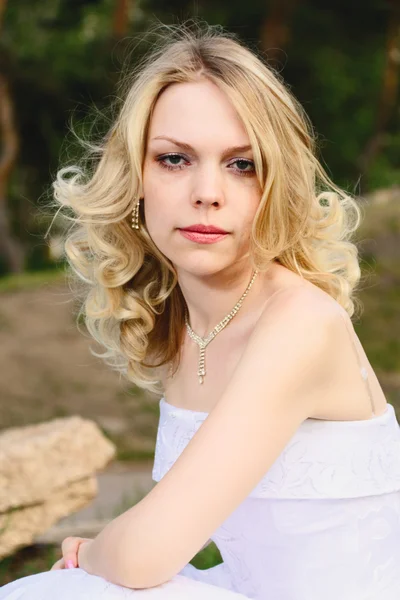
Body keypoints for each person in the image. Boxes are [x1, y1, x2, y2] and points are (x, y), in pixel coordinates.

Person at [2, 20, 400, 600]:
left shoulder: (301, 325)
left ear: (275, 185)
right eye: (174, 159)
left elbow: (142, 557)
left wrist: (91, 550)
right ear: (135, 178)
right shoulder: (187, 325)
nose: (207, 191)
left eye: (242, 164)